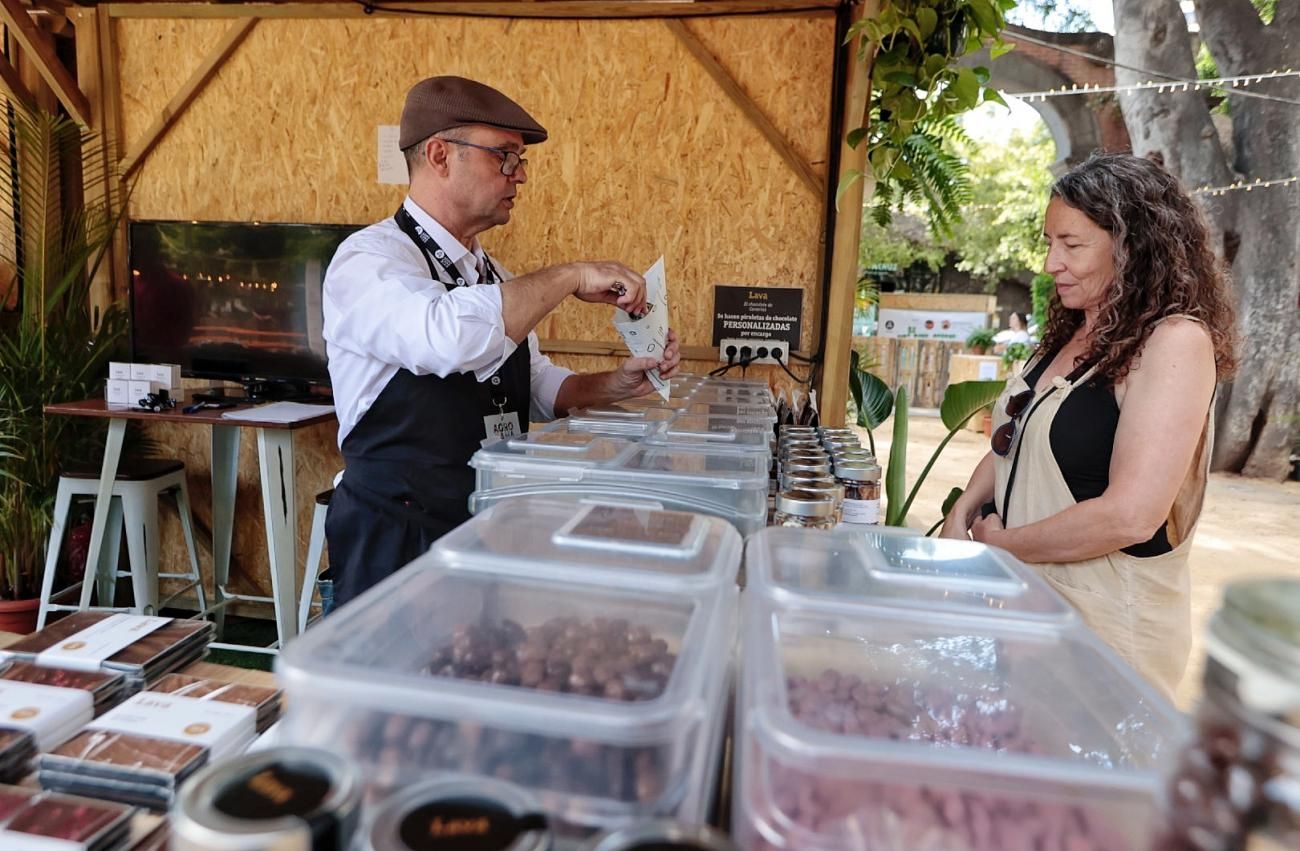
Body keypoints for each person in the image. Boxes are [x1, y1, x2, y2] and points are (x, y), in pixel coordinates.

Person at [322, 76, 681, 607]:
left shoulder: (493, 275)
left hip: (484, 523)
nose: (521, 176)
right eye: (505, 158)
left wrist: (619, 383)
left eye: (521, 162)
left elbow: (538, 385)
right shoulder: (369, 261)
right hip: (397, 541)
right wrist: (570, 275)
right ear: (441, 154)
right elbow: (445, 337)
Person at [940, 153, 1236, 699]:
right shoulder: (1070, 335)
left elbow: (1130, 516)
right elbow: (1017, 441)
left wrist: (1003, 546)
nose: (1052, 262)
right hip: (1027, 621)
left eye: (1072, 245)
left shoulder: (1173, 344)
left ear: (1132, 247)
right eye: (1049, 242)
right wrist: (961, 511)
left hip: (1103, 647)